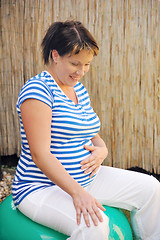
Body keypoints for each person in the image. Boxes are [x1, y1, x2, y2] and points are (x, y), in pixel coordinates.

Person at [12, 20, 160, 240]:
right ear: (55, 55)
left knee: (151, 188)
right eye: (75, 63)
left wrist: (102, 149)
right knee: (95, 226)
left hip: (86, 179)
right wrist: (78, 194)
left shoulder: (77, 89)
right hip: (40, 187)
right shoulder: (38, 91)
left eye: (87, 64)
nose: (81, 72)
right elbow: (39, 154)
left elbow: (90, 133)